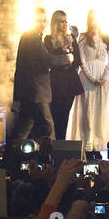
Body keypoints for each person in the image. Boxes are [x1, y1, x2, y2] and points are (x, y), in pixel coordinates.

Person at [10, 8, 70, 142]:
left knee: (21, 131)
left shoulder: (33, 37)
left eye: (44, 21)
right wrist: (67, 58)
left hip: (31, 92)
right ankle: (50, 161)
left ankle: (9, 162)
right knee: (48, 127)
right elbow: (47, 60)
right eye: (38, 21)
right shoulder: (31, 37)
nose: (42, 24)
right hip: (35, 92)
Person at [69, 10, 109, 158]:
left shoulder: (106, 38)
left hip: (102, 79)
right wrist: (92, 78)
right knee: (87, 111)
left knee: (100, 112)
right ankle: (87, 146)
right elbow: (82, 61)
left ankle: (98, 146)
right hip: (87, 79)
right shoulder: (83, 37)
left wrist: (104, 77)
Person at [46, 12, 82, 142]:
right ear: (55, 23)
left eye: (66, 21)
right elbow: (48, 60)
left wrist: (69, 64)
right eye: (61, 21)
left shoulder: (71, 37)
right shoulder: (48, 39)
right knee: (55, 114)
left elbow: (78, 60)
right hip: (56, 80)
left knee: (65, 113)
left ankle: (62, 144)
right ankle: (54, 144)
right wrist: (65, 60)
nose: (65, 24)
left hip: (70, 80)